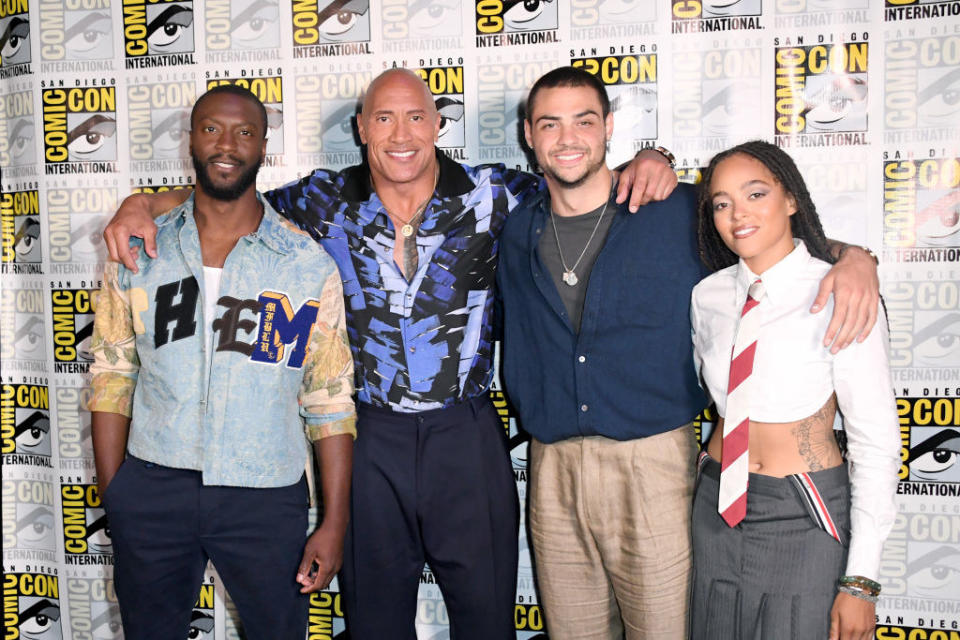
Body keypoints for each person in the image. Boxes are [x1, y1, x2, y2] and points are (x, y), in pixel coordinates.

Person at [100, 68, 678, 640]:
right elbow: (227, 196)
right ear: (361, 129)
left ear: (436, 125)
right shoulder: (321, 200)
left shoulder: (496, 193)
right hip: (368, 437)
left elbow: (579, 181)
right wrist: (145, 202)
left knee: (486, 617)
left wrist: (652, 155)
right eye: (384, 118)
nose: (401, 135)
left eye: (415, 117)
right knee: (374, 621)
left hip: (467, 435)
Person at [495, 67, 882, 639]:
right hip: (552, 467)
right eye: (550, 123)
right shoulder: (516, 226)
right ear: (529, 134)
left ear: (608, 129)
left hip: (656, 464)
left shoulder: (679, 210)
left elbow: (771, 238)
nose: (567, 137)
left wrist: (857, 258)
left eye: (584, 120)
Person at [88, 85, 356, 640]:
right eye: (211, 128)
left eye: (243, 132)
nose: (226, 144)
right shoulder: (139, 252)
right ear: (190, 139)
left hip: (266, 494)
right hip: (154, 486)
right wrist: (118, 494)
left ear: (263, 147)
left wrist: (333, 521)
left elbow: (328, 399)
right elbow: (113, 375)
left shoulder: (305, 265)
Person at [689, 140, 899, 640]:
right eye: (722, 203)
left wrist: (862, 582)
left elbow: (876, 441)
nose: (738, 213)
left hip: (803, 511)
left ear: (791, 200)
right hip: (715, 504)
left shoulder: (841, 290)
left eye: (756, 194)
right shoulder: (708, 296)